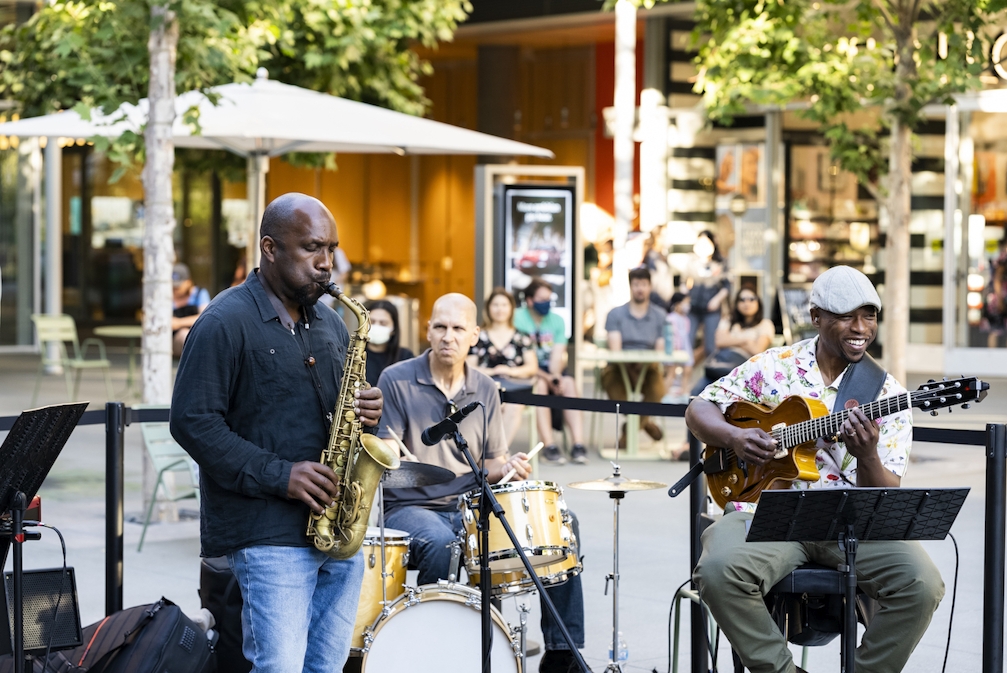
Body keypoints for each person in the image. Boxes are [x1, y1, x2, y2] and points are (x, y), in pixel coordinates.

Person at [685, 266, 943, 673]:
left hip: (848, 519)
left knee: (922, 584)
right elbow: (699, 408)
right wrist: (735, 438)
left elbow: (885, 492)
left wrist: (867, 455)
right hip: (766, 511)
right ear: (816, 317)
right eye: (846, 316)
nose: (861, 328)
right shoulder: (776, 365)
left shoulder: (887, 393)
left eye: (869, 316)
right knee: (717, 571)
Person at [170, 193, 384, 673]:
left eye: (331, 249)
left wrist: (368, 413)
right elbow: (192, 422)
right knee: (281, 667)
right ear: (270, 248)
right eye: (312, 248)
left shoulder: (331, 324)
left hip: (337, 530)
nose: (326, 263)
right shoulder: (224, 322)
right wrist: (281, 475)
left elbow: (345, 418)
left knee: (326, 667)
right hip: (268, 533)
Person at [377, 293, 587, 673]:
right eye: (440, 327)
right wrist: (390, 451)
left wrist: (509, 467)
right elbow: (387, 451)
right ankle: (432, 650)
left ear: (475, 335)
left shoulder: (486, 387)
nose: (448, 336)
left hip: (470, 505)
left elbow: (490, 463)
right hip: (411, 506)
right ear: (428, 330)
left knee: (563, 523)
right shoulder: (396, 379)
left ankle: (561, 654)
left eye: (458, 328)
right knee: (441, 543)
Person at [514, 278, 589, 465]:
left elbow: (558, 354)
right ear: (529, 300)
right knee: (539, 386)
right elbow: (522, 358)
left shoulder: (557, 320)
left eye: (548, 299)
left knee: (569, 383)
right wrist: (547, 378)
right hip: (526, 369)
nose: (546, 303)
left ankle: (578, 444)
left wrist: (555, 377)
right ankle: (549, 446)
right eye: (542, 299)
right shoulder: (517, 318)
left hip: (551, 369)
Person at [602, 266, 668, 445]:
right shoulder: (616, 314)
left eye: (644, 284)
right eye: (636, 284)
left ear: (650, 287)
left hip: (648, 368)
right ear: (630, 286)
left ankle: (629, 431)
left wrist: (644, 364)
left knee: (658, 389)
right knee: (615, 390)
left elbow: (659, 352)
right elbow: (615, 351)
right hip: (619, 368)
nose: (640, 289)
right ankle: (645, 424)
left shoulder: (660, 316)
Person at [468, 288, 539, 445]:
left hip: (515, 387)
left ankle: (499, 452)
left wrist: (510, 371)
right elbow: (469, 368)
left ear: (511, 308)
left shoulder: (522, 337)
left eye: (504, 305)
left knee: (513, 407)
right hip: (486, 386)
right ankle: (488, 451)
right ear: (488, 308)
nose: (500, 309)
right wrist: (492, 371)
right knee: (492, 404)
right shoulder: (477, 337)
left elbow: (532, 367)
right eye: (495, 305)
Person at [688, 287, 776, 397]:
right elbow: (719, 341)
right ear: (737, 303)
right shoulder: (729, 320)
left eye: (751, 299)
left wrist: (731, 339)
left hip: (744, 370)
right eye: (742, 299)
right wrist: (746, 341)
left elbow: (757, 350)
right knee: (696, 394)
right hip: (719, 365)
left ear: (758, 302)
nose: (747, 303)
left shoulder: (765, 324)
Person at [683, 230, 730, 362]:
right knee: (687, 341)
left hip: (711, 309)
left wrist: (716, 300)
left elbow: (727, 286)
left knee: (710, 345)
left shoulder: (720, 262)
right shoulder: (691, 261)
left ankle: (711, 369)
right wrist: (686, 298)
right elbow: (684, 283)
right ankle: (686, 370)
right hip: (693, 308)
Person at [363, 299, 414, 387]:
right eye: (372, 322)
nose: (376, 326)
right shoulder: (353, 354)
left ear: (393, 329)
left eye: (383, 323)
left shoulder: (405, 357)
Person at [171, 263, 211, 357]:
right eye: (173, 286)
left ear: (188, 282)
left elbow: (205, 317)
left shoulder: (199, 294)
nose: (175, 289)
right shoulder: (167, 296)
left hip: (197, 339)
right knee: (184, 335)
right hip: (174, 342)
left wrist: (179, 323)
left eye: (178, 286)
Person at [663, 292, 693, 401]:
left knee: (687, 371)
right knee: (671, 372)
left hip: (685, 347)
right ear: (677, 304)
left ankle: (684, 393)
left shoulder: (686, 319)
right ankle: (665, 394)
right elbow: (671, 335)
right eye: (685, 303)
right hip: (673, 348)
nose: (687, 305)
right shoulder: (670, 318)